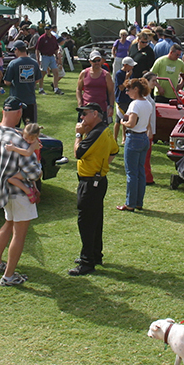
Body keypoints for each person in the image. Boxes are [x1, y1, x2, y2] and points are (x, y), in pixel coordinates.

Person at [0, 97, 43, 287]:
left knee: (8, 224)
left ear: (3, 111)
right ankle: (9, 276)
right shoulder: (21, 141)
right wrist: (34, 150)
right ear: (19, 113)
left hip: (1, 190)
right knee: (19, 234)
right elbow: (34, 173)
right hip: (20, 195)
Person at [71, 102, 119, 276]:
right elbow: (114, 150)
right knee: (95, 220)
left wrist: (78, 134)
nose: (81, 118)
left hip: (90, 184)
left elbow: (78, 153)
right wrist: (102, 166)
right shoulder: (104, 129)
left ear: (95, 114)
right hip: (97, 181)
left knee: (86, 222)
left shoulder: (96, 133)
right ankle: (95, 254)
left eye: (84, 114)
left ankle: (87, 262)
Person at [117, 77, 153, 212]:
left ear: (136, 89)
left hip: (134, 138)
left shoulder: (135, 104)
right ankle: (138, 202)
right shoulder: (148, 103)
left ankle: (130, 203)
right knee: (140, 172)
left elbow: (131, 123)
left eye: (128, 89)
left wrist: (122, 123)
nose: (127, 92)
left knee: (131, 173)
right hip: (144, 138)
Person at [3, 41, 40, 124]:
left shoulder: (13, 63)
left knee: (14, 127)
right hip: (30, 99)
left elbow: (7, 82)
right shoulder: (34, 63)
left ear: (17, 49)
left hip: (15, 100)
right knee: (30, 127)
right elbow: (37, 80)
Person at [5, 123, 42, 199]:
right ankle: (34, 189)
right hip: (31, 166)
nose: (28, 141)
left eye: (31, 139)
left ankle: (28, 191)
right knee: (30, 180)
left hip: (34, 168)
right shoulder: (24, 135)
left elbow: (28, 153)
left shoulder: (35, 143)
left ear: (37, 137)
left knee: (11, 178)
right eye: (26, 138)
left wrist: (14, 148)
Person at [77, 50, 115, 118]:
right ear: (90, 61)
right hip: (86, 107)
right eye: (94, 61)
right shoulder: (84, 73)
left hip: (101, 108)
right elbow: (78, 89)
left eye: (98, 60)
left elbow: (111, 92)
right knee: (83, 128)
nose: (97, 62)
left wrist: (111, 107)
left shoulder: (106, 75)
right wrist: (80, 104)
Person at [35, 24, 63, 95]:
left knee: (56, 72)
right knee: (43, 73)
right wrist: (38, 59)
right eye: (46, 29)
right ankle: (41, 89)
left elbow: (56, 49)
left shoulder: (53, 38)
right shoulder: (42, 38)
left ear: (51, 30)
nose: (47, 31)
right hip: (44, 57)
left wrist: (57, 57)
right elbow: (37, 49)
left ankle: (56, 88)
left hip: (52, 56)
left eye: (48, 29)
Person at [113, 56, 135, 143]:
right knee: (118, 120)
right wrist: (126, 78)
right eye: (131, 65)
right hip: (121, 99)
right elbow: (121, 88)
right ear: (125, 65)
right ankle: (114, 138)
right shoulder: (119, 74)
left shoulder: (130, 73)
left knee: (126, 119)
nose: (132, 67)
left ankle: (124, 138)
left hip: (129, 98)